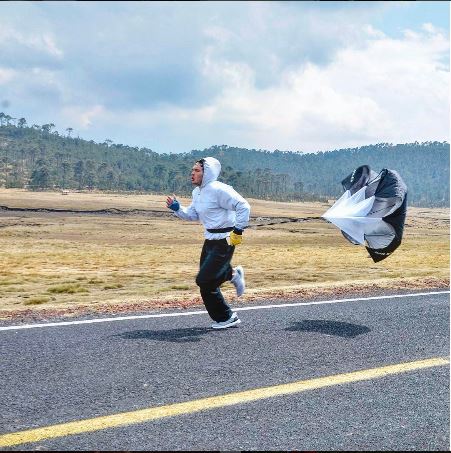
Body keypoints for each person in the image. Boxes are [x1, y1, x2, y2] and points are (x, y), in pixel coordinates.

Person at [165, 157, 250, 329]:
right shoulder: (197, 192)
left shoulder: (219, 189)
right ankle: (232, 274)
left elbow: (243, 206)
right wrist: (177, 209)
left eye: (197, 170)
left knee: (204, 281)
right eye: (192, 170)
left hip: (226, 240)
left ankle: (227, 317)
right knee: (208, 278)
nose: (192, 173)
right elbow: (193, 215)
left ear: (207, 173)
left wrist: (238, 230)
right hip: (210, 240)